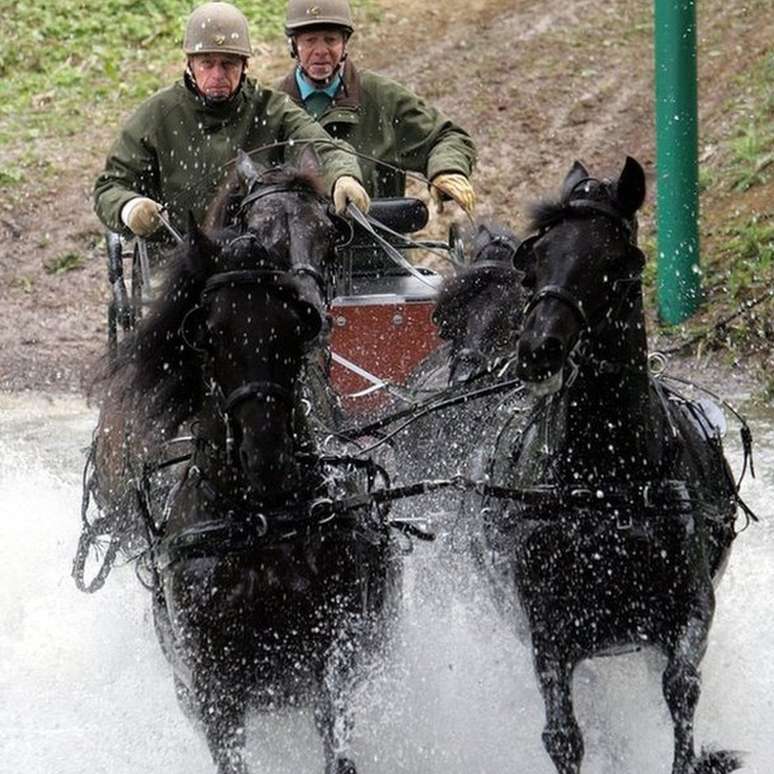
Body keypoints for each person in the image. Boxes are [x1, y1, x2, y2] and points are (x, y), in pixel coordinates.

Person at [94, 1, 370, 240]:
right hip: (175, 253)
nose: (217, 74)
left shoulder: (271, 108)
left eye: (228, 64)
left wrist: (342, 178)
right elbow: (111, 186)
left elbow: (321, 146)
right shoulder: (157, 115)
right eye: (207, 63)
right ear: (189, 64)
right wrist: (130, 207)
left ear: (244, 66)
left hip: (261, 254)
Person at [277, 0, 477, 215]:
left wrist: (447, 170)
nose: (321, 51)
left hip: (376, 238)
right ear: (293, 46)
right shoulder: (273, 107)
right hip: (295, 243)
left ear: (344, 44)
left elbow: (447, 137)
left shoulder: (380, 96)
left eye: (330, 40)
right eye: (309, 41)